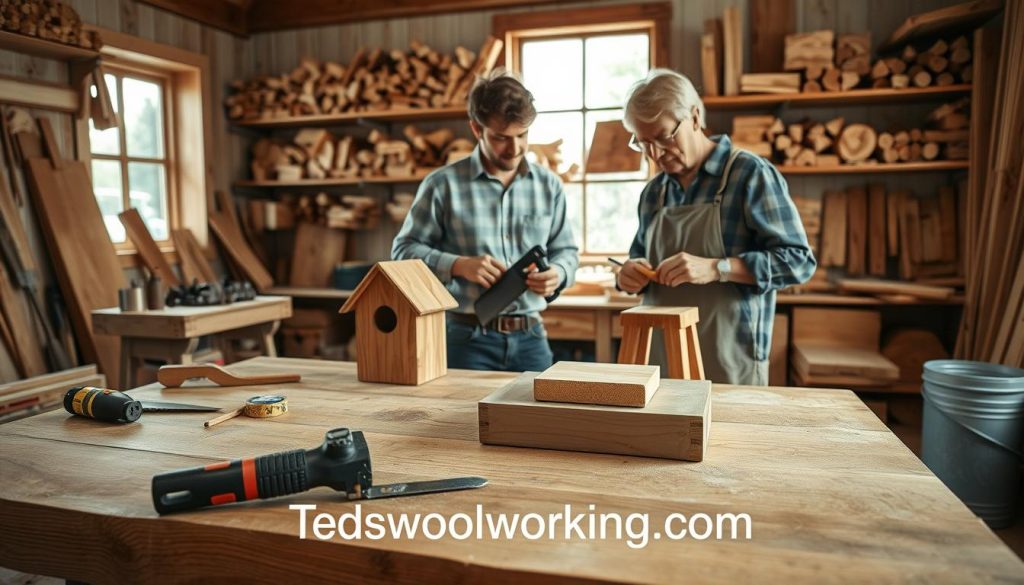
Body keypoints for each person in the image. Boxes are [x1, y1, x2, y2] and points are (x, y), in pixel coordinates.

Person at [616, 69, 816, 385]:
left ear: (695, 117)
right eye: (643, 143)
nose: (654, 154)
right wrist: (630, 275)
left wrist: (717, 268)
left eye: (663, 137)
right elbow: (640, 262)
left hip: (729, 364)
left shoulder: (749, 174)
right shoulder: (654, 193)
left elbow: (798, 263)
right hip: (659, 365)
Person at [392, 70, 579, 372]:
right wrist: (457, 264)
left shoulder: (549, 185)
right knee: (461, 421)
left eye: (523, 135)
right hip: (465, 339)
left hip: (532, 338)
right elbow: (402, 252)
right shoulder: (442, 185)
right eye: (502, 138)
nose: (515, 148)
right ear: (476, 129)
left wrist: (558, 272)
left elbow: (567, 251)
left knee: (543, 419)